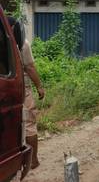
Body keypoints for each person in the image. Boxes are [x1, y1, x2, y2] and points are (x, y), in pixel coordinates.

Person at [8, 17, 45, 169]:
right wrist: (40, 87)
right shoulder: (21, 42)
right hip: (21, 88)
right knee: (29, 123)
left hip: (5, 87)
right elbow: (29, 67)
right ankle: (33, 160)